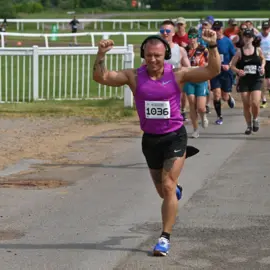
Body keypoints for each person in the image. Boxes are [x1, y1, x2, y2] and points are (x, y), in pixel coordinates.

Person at [92, 30, 221, 256]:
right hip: (150, 140)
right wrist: (101, 54)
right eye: (149, 55)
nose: (153, 60)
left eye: (158, 56)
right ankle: (175, 189)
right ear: (143, 55)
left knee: (168, 186)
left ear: (166, 56)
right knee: (164, 192)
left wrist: (212, 47)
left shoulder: (178, 74)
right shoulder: (134, 76)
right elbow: (101, 78)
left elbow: (212, 70)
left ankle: (164, 237)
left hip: (174, 136)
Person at [147, 20, 191, 121]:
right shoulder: (153, 50)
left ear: (173, 33)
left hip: (173, 87)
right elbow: (143, 66)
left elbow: (188, 68)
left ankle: (177, 119)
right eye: (162, 30)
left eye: (168, 30)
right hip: (156, 85)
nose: (165, 33)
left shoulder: (179, 50)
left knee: (173, 115)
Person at [230, 29, 265, 135]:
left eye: (249, 37)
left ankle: (255, 119)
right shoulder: (239, 51)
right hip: (244, 80)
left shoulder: (258, 50)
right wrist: (238, 71)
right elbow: (232, 65)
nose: (247, 39)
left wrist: (262, 67)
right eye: (245, 36)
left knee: (255, 102)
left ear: (253, 38)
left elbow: (263, 59)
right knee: (246, 104)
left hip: (256, 79)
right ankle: (249, 125)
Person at [184, 27, 210, 138]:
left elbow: (210, 64)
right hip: (189, 80)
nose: (192, 39)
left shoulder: (203, 49)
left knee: (200, 107)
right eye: (190, 37)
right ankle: (195, 129)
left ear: (197, 38)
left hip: (201, 79)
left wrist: (207, 73)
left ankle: (203, 116)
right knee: (191, 103)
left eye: (194, 37)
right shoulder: (184, 50)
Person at [210, 20, 236, 125]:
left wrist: (229, 65)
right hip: (215, 72)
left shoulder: (227, 41)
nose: (217, 31)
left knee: (224, 96)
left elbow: (234, 56)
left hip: (226, 72)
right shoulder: (211, 42)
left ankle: (229, 98)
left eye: (218, 29)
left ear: (222, 29)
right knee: (216, 95)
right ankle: (219, 116)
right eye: (215, 29)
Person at [258, 21, 270, 108]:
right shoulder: (258, 36)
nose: (265, 31)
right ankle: (264, 100)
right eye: (264, 29)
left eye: (267, 29)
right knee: (261, 81)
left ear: (269, 29)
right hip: (261, 60)